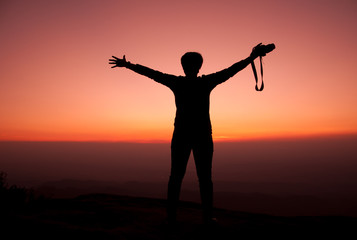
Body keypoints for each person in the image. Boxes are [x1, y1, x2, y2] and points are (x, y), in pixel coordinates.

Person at [109, 44, 274, 224]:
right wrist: (251, 57)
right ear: (199, 66)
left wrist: (129, 65)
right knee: (205, 179)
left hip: (181, 134)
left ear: (183, 66)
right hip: (203, 135)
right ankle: (207, 218)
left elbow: (152, 74)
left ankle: (171, 218)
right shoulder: (206, 82)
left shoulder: (177, 82)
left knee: (176, 177)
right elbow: (232, 70)